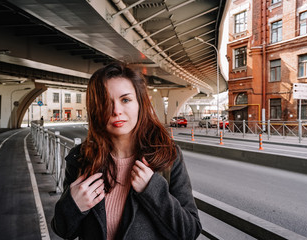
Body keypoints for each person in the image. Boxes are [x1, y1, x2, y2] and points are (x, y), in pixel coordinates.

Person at [51, 62, 201, 240]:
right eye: (106, 102)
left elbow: (189, 231)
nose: (116, 111)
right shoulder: (82, 158)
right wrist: (74, 206)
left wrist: (152, 189)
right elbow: (63, 230)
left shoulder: (167, 156)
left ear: (140, 103)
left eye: (125, 100)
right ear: (95, 109)